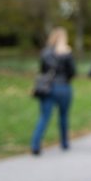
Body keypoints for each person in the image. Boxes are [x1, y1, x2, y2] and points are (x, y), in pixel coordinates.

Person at [31, 27, 76, 155]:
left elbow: (43, 70)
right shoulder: (67, 53)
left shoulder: (45, 52)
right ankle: (64, 142)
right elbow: (72, 72)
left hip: (47, 88)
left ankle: (35, 144)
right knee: (63, 116)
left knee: (44, 117)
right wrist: (67, 56)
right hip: (63, 87)